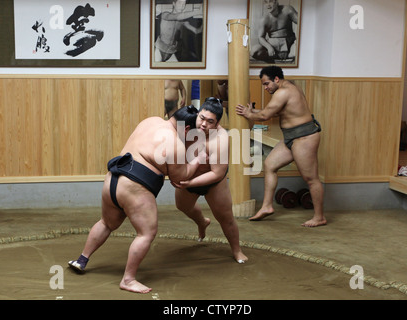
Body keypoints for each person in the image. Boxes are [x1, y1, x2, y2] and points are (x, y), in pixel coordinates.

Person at [68, 106, 206, 294]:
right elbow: (179, 179)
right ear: (187, 129)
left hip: (113, 178)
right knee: (146, 233)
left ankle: (81, 260)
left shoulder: (150, 121)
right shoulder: (175, 143)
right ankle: (128, 279)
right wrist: (198, 159)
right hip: (135, 187)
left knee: (106, 223)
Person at [236, 66, 326, 227]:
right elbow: (275, 112)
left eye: (267, 84)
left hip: (304, 137)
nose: (265, 88)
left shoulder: (284, 91)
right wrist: (252, 111)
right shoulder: (286, 89)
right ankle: (267, 206)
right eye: (264, 85)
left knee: (311, 179)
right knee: (270, 165)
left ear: (276, 79)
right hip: (291, 136)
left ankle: (319, 217)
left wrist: (249, 114)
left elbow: (265, 116)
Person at [173, 97, 248, 263]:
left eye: (210, 121)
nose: (203, 124)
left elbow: (217, 173)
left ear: (217, 123)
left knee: (225, 218)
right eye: (201, 118)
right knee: (182, 206)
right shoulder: (187, 123)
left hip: (214, 183)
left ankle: (237, 250)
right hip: (189, 175)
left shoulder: (220, 139)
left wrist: (190, 183)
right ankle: (202, 222)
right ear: (198, 114)